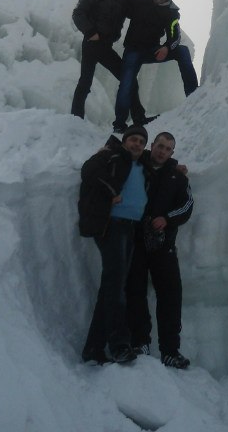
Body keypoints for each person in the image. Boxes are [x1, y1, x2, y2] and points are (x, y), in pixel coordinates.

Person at [78, 126, 151, 365]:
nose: (137, 144)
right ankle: (115, 345)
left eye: (141, 141)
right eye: (133, 139)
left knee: (115, 285)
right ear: (125, 141)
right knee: (114, 285)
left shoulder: (140, 164)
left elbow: (163, 163)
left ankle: (98, 347)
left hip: (129, 228)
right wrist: (111, 192)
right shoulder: (112, 155)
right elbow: (89, 171)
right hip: (112, 225)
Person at [126, 131, 194, 369]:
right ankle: (140, 342)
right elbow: (119, 149)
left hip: (163, 244)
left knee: (171, 296)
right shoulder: (135, 163)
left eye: (168, 148)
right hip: (135, 241)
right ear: (152, 145)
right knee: (134, 292)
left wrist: (167, 218)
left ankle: (170, 350)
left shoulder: (177, 178)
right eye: (160, 146)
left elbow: (186, 206)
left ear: (172, 153)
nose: (162, 151)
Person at [113, 0, 198, 133]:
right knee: (126, 83)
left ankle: (194, 96)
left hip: (153, 50)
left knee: (182, 51)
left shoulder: (171, 12)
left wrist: (166, 47)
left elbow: (175, 36)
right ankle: (119, 123)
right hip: (133, 49)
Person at [70, 0, 153, 125]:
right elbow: (78, 13)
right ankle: (75, 118)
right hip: (92, 43)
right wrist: (91, 32)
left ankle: (138, 117)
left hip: (105, 46)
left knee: (127, 79)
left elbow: (136, 9)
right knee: (85, 81)